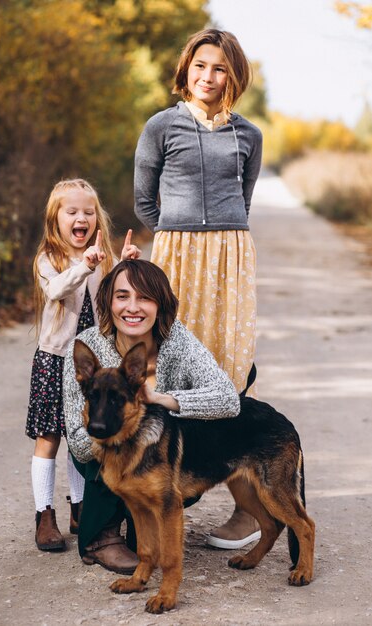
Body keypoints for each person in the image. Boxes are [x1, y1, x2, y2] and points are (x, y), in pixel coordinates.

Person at [133, 28, 263, 549]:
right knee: (169, 365)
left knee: (229, 375)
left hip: (230, 261)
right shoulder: (161, 126)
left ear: (234, 75)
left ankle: (246, 509)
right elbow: (145, 202)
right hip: (177, 258)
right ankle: (157, 493)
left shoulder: (248, 135)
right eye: (200, 66)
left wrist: (223, 247)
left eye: (220, 69)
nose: (208, 77)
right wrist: (176, 242)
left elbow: (244, 203)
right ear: (186, 68)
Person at [63, 259, 240, 573]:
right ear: (108, 301)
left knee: (152, 523)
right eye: (122, 296)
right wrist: (119, 435)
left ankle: (143, 526)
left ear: (161, 304)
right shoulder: (88, 346)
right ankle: (103, 534)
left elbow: (228, 398)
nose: (133, 307)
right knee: (107, 455)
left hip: (158, 456)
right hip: (103, 455)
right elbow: (78, 440)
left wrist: (160, 399)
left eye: (144, 297)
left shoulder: (177, 340)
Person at [26, 178, 140, 551]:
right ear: (55, 220)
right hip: (54, 360)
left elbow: (111, 297)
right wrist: (85, 266)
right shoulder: (49, 259)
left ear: (97, 220)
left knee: (84, 436)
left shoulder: (101, 256)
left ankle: (80, 507)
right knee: (50, 438)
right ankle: (44, 514)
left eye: (88, 212)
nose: (81, 217)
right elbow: (57, 289)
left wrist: (123, 266)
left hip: (90, 368)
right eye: (71, 212)